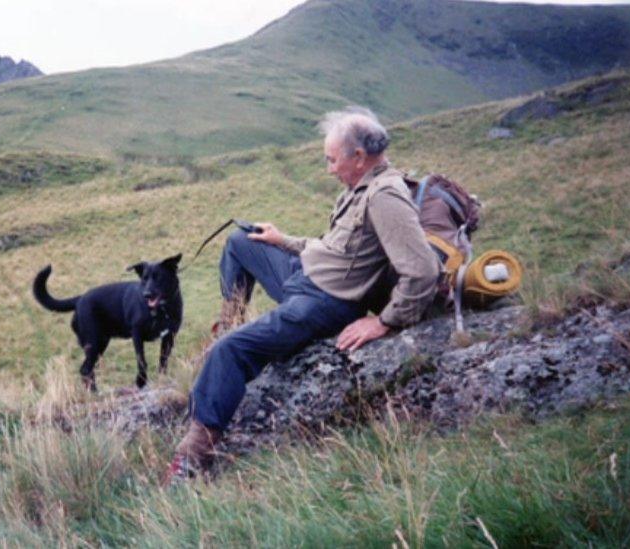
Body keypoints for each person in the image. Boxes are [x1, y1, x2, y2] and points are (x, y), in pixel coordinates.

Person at [165, 106, 442, 483]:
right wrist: (285, 242)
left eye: (332, 160)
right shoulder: (359, 187)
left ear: (358, 157)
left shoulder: (385, 196)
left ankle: (193, 458)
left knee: (230, 350)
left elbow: (423, 269)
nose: (329, 169)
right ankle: (231, 321)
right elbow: (336, 249)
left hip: (323, 303)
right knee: (239, 240)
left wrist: (384, 321)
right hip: (305, 276)